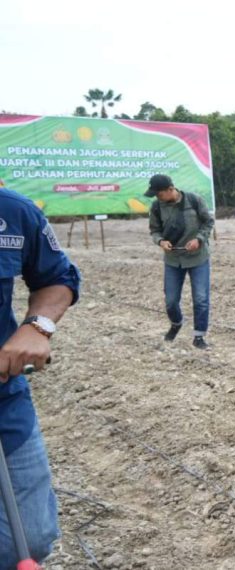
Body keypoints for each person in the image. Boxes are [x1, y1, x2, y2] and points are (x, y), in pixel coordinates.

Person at [0, 185, 80, 568]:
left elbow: (57, 277)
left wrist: (37, 327)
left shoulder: (13, 211)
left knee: (28, 539)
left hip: (4, 401)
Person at [146, 174, 214, 349]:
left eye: (159, 194)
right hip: (173, 259)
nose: (157, 197)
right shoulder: (157, 206)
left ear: (170, 189)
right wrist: (161, 241)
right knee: (171, 300)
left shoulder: (194, 200)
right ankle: (176, 323)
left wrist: (199, 239)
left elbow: (208, 222)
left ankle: (199, 336)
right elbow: (154, 230)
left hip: (198, 257)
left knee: (201, 298)